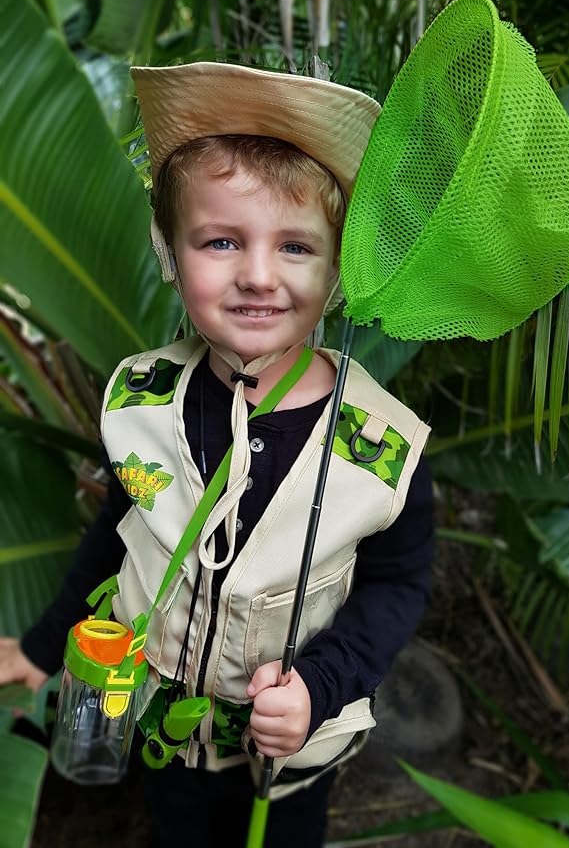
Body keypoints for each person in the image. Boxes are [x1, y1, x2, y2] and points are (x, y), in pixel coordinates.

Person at [0, 63, 434, 847]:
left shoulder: (381, 446)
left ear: (338, 266)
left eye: (296, 245)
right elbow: (115, 531)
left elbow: (398, 583)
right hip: (167, 735)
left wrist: (318, 687)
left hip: (289, 751)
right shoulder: (144, 400)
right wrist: (42, 644)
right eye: (222, 240)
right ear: (170, 249)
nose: (258, 275)